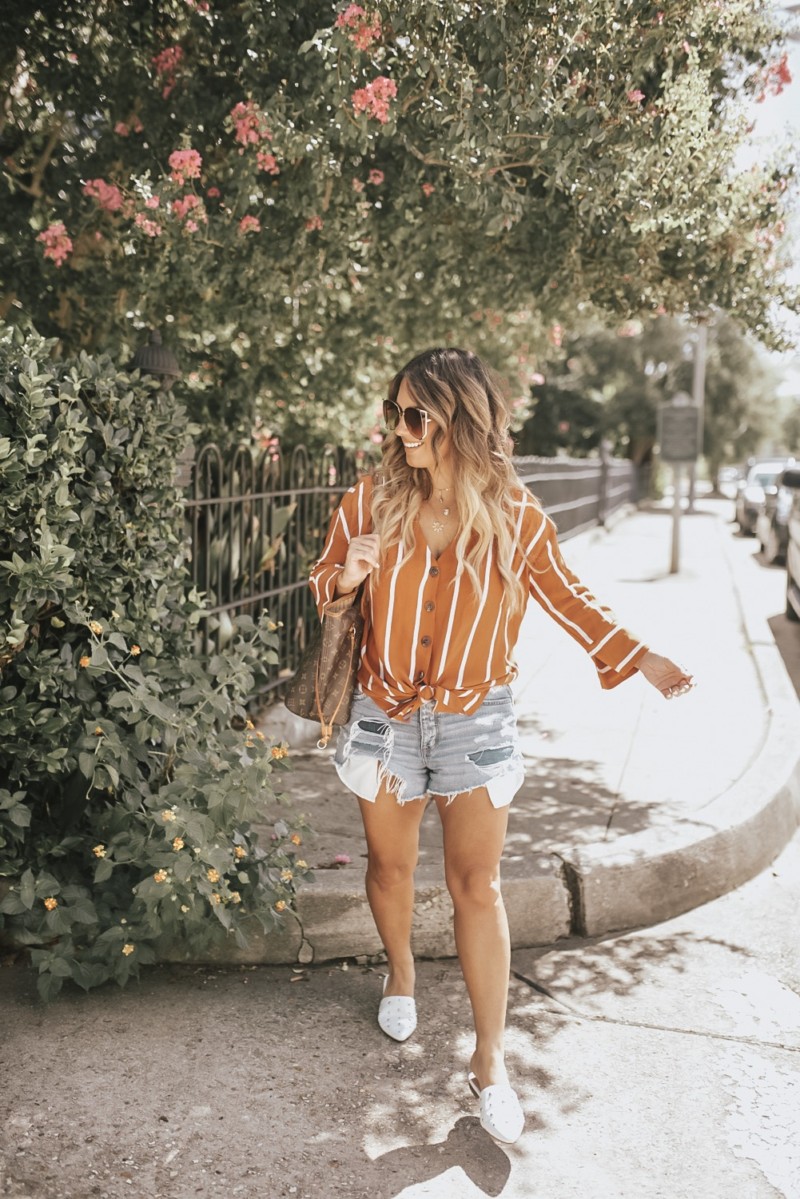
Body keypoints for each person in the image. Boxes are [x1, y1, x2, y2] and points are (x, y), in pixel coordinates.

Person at [308, 347, 693, 1145]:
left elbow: (566, 592)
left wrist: (639, 655)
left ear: (458, 419)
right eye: (396, 411)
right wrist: (347, 574)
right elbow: (325, 586)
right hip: (385, 715)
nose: (400, 428)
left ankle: (489, 1062)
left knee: (476, 885)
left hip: (477, 719)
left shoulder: (513, 513)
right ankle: (402, 973)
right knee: (388, 867)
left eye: (415, 415)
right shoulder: (371, 499)